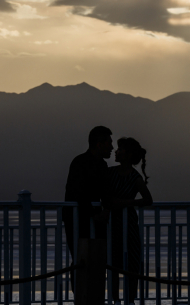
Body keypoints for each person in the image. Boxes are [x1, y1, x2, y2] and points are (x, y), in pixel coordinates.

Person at [63, 125, 113, 291]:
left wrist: (106, 210)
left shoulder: (102, 166)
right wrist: (95, 214)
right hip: (77, 220)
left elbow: (106, 193)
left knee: (96, 258)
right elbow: (77, 193)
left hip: (95, 220)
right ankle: (80, 295)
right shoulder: (80, 163)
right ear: (99, 144)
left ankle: (92, 295)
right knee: (80, 258)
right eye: (109, 143)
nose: (112, 147)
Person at [108, 137, 153, 305]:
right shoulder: (109, 172)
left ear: (128, 154)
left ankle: (130, 300)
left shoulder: (135, 177)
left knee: (132, 263)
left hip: (129, 224)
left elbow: (148, 199)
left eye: (119, 149)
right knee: (112, 263)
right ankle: (115, 300)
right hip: (112, 223)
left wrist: (126, 203)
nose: (116, 151)